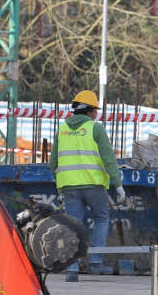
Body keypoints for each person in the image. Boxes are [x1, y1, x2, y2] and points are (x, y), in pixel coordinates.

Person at [50, 90, 123, 281]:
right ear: (89, 110)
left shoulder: (63, 129)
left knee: (73, 226)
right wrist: (119, 185)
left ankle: (72, 268)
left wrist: (59, 188)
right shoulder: (95, 128)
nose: (97, 114)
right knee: (101, 219)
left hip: (70, 188)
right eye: (95, 110)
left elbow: (53, 163)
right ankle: (96, 263)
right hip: (94, 184)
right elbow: (109, 159)